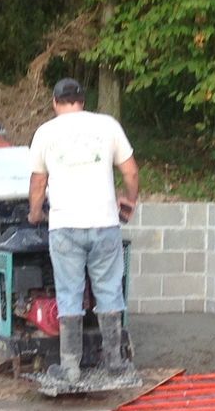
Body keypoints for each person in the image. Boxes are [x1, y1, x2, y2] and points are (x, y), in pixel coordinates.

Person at [27, 78, 140, 381]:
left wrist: (35, 213)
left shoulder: (45, 133)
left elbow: (39, 183)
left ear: (54, 102)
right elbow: (130, 170)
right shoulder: (107, 126)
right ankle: (115, 363)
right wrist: (129, 200)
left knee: (69, 295)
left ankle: (71, 367)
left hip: (65, 227)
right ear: (83, 100)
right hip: (104, 223)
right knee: (109, 292)